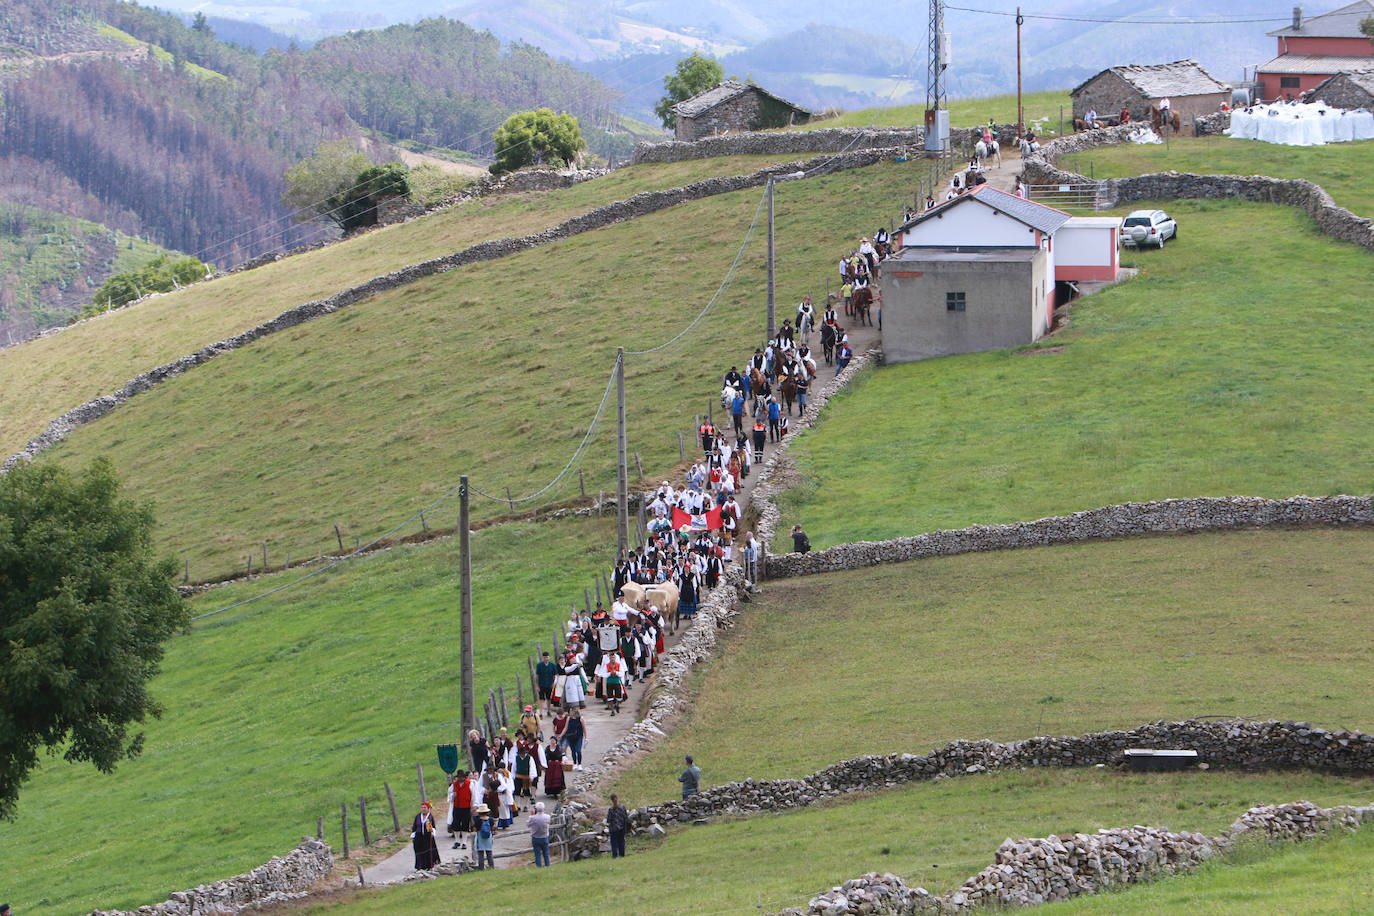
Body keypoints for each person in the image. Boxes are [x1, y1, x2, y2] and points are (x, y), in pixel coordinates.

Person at [411, 801, 441, 870]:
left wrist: (432, 830)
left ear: (428, 809)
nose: (423, 809)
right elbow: (414, 827)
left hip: (428, 837)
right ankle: (420, 866)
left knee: (428, 851)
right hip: (419, 837)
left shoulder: (430, 817)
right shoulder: (418, 817)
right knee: (419, 851)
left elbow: (433, 827)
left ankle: (428, 866)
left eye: (425, 808)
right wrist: (413, 836)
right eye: (422, 808)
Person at [528, 801, 552, 867]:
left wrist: (532, 815)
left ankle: (539, 866)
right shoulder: (547, 817)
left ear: (536, 809)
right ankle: (548, 865)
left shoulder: (533, 818)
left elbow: (528, 824)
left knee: (537, 854)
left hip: (535, 838)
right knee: (546, 854)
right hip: (544, 837)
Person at [607, 793, 630, 858]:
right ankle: (622, 855)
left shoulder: (611, 809)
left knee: (614, 843)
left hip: (613, 829)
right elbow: (625, 817)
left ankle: (615, 856)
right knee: (621, 841)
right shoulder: (622, 807)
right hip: (622, 827)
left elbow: (608, 820)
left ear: (611, 800)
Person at [472, 804, 495, 869]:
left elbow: (475, 829)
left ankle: (481, 867)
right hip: (488, 838)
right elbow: (493, 828)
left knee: (480, 854)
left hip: (480, 837)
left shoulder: (478, 820)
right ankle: (491, 866)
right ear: (487, 812)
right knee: (489, 853)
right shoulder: (490, 819)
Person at [536, 651, 557, 715]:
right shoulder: (539, 665)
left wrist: (553, 683)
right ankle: (541, 712)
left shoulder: (552, 665)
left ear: (549, 657)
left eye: (547, 657)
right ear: (543, 658)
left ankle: (549, 710)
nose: (546, 659)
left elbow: (554, 675)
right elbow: (537, 676)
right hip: (541, 684)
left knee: (549, 698)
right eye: (545, 657)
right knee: (541, 699)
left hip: (549, 684)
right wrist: (537, 686)